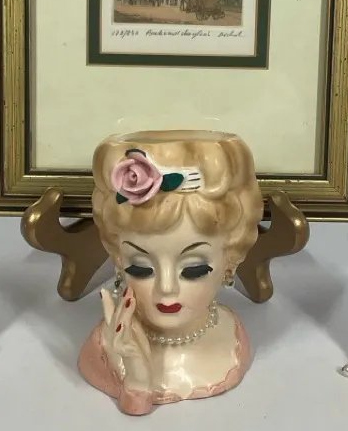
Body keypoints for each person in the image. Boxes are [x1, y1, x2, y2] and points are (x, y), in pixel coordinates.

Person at [78, 131, 263, 415]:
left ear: (231, 260)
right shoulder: (107, 350)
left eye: (193, 269)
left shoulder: (233, 341)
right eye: (141, 268)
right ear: (118, 259)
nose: (166, 288)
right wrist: (137, 379)